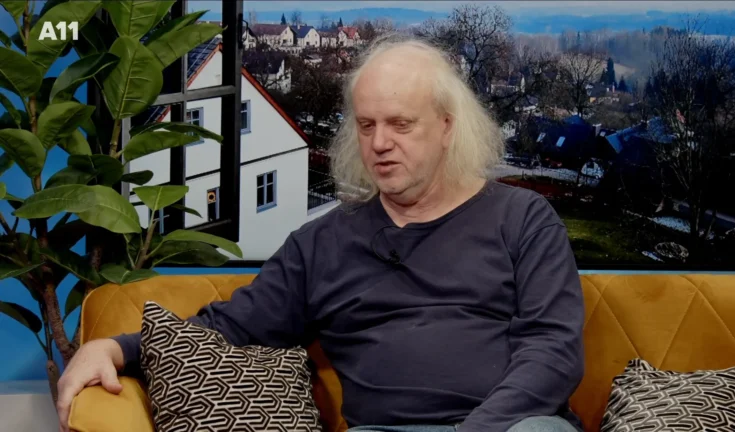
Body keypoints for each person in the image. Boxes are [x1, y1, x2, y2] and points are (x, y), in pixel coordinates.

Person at [56, 35, 585, 432]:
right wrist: (114, 349)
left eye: (400, 124)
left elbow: (553, 351)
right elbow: (231, 326)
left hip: (515, 426)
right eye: (366, 125)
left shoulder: (523, 219)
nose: (379, 143)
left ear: (447, 126)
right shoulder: (323, 243)